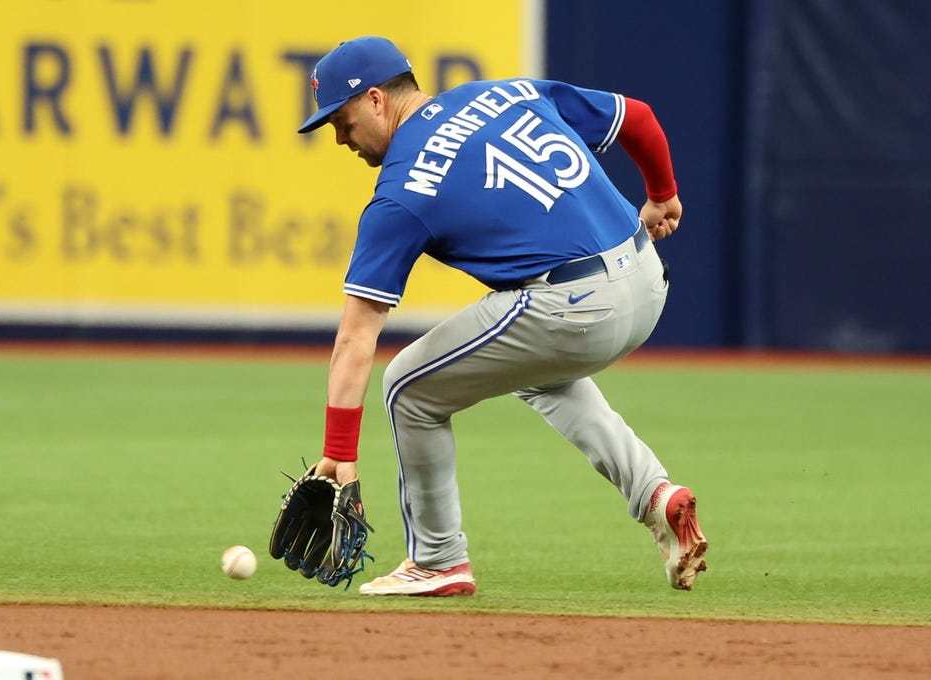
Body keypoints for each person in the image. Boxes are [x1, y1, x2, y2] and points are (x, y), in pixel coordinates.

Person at [298, 36, 707, 596]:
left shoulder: (400, 192)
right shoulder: (505, 93)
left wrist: (339, 452)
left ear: (374, 99)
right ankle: (658, 498)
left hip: (575, 306)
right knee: (538, 376)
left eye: (340, 120)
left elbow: (356, 335)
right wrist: (662, 193)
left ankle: (438, 559)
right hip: (647, 279)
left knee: (408, 388)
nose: (339, 138)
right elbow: (638, 117)